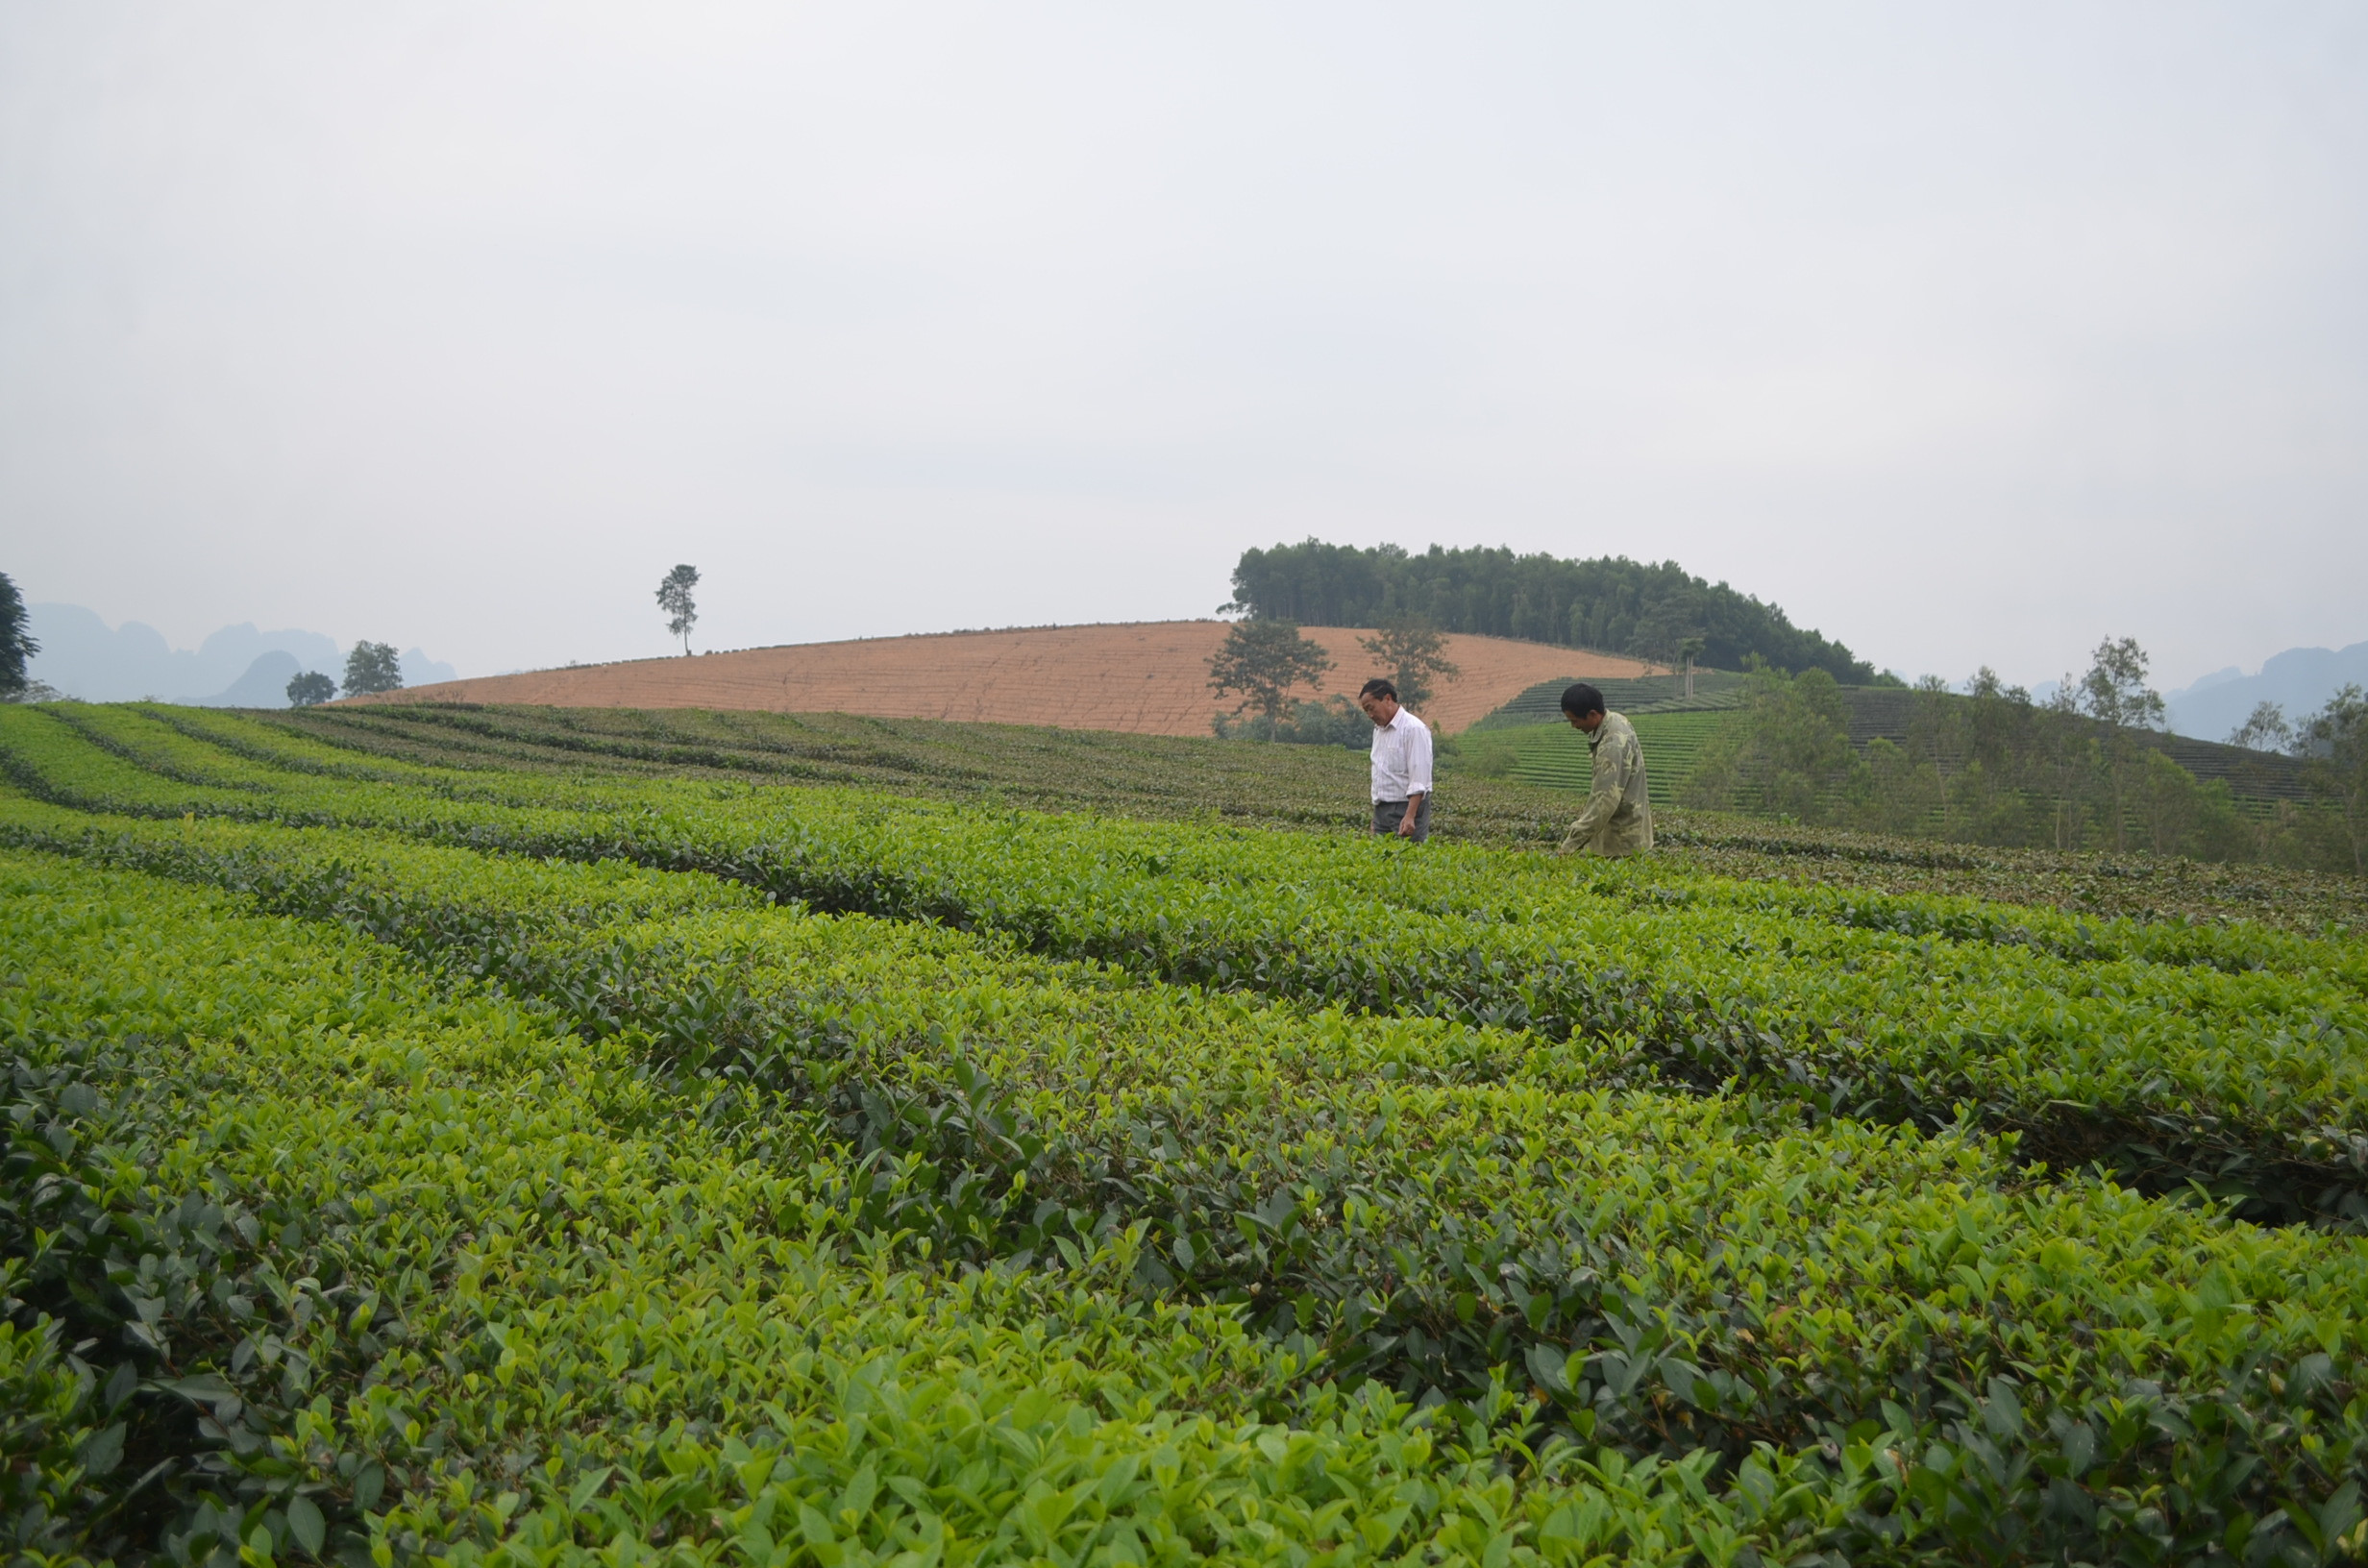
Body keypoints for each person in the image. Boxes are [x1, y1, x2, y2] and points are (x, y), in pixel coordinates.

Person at [1556, 681, 1653, 856]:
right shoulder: (1616, 719)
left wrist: (1568, 846)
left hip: (1621, 844)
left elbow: (1604, 802)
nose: (1574, 726)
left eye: (1575, 721)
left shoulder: (1613, 746)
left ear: (1593, 714)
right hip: (1624, 835)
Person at [1358, 677, 1432, 841]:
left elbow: (1419, 779)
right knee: (1380, 861)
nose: (1370, 715)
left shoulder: (1413, 729)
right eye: (1366, 711)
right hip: (1382, 810)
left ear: (1387, 699)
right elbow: (1381, 773)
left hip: (1406, 808)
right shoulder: (1379, 730)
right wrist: (1377, 817)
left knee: (1410, 859)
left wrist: (1410, 816)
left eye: (1371, 708)